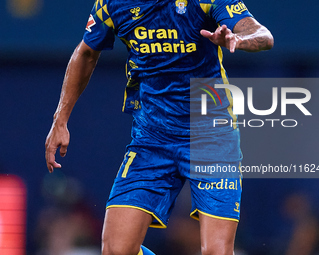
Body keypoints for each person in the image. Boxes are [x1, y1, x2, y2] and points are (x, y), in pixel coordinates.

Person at [45, 0, 273, 254]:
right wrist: (60, 120)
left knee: (216, 251)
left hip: (211, 135)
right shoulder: (112, 4)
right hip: (151, 139)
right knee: (116, 250)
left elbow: (263, 35)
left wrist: (238, 39)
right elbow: (86, 52)